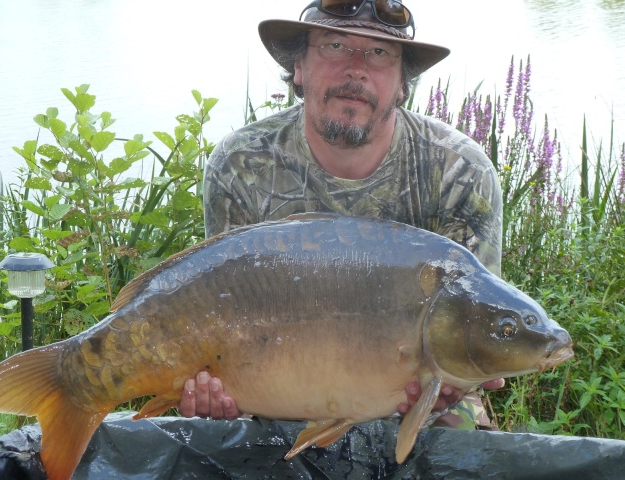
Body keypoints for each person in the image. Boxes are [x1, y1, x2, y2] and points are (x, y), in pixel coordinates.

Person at [179, 0, 505, 431]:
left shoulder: (460, 169)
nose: (356, 69)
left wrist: (454, 378)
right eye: (334, 45)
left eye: (379, 53)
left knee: (464, 447)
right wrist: (215, 390)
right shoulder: (242, 161)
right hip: (281, 389)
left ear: (402, 83)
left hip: (426, 395)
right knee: (222, 436)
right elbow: (218, 312)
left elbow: (472, 319)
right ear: (300, 67)